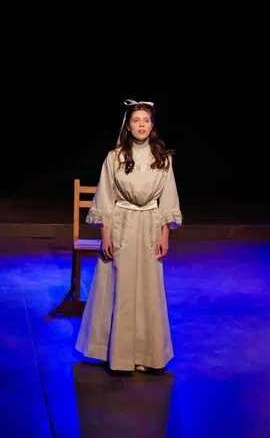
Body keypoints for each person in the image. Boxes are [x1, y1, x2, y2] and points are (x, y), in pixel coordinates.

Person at [75, 99, 182, 373]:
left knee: (148, 288)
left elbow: (168, 200)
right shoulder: (116, 157)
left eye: (146, 120)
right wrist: (105, 235)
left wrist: (165, 234)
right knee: (119, 288)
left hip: (149, 223)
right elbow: (105, 199)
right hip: (122, 223)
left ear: (152, 124)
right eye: (136, 120)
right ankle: (118, 354)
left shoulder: (163, 159)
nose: (141, 125)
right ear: (128, 124)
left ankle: (146, 354)